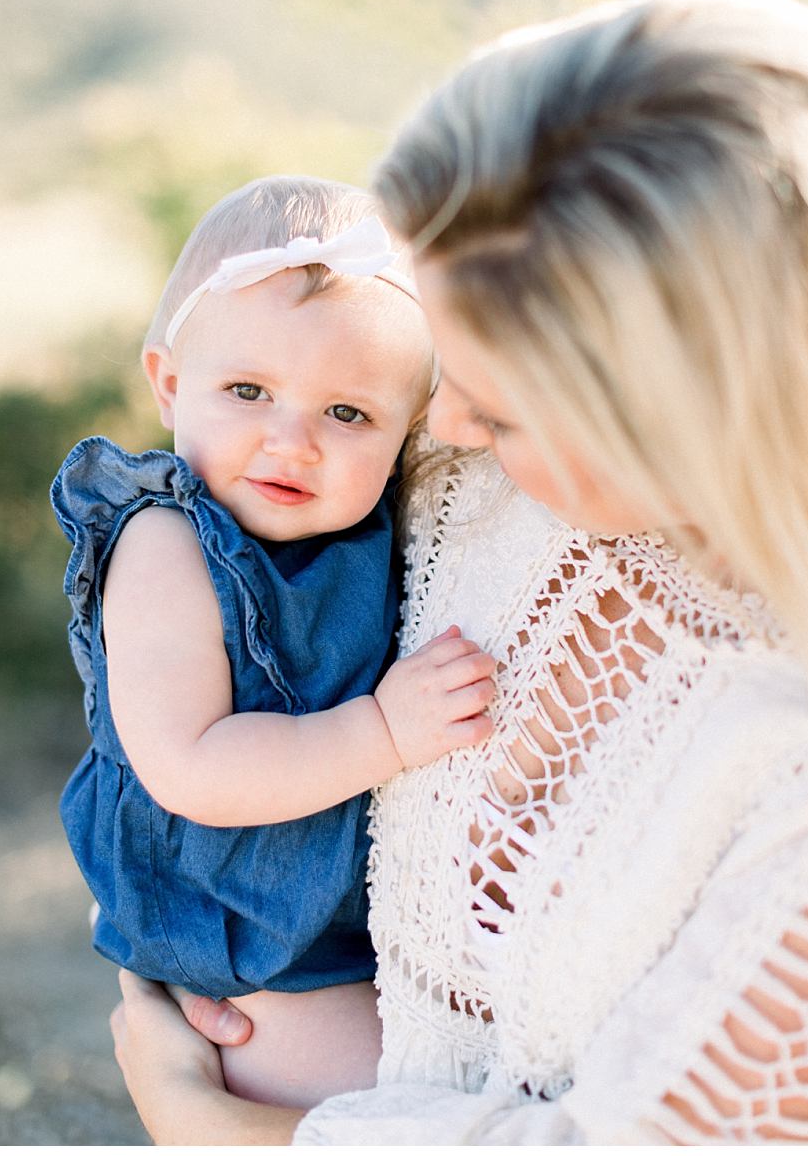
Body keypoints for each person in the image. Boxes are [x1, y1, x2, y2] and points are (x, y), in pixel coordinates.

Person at [109, 0, 808, 1144]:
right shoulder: (477, 493)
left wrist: (204, 1118)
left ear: (681, 417)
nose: (440, 437)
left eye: (494, 412)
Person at [52, 175, 496, 1110]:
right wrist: (384, 733)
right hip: (240, 941)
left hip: (329, 916)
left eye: (349, 414)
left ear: (410, 431)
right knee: (395, 1093)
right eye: (248, 390)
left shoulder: (365, 528)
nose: (291, 442)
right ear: (171, 383)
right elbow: (192, 765)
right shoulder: (165, 544)